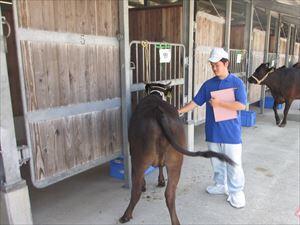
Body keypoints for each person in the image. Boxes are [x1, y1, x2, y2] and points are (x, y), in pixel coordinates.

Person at [178, 48, 247, 208]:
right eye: (212, 65)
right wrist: (179, 111)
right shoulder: (208, 84)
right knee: (216, 162)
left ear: (226, 63)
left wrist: (219, 103)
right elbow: (196, 102)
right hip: (213, 132)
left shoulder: (237, 83)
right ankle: (220, 185)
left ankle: (236, 192)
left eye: (217, 65)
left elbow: (241, 105)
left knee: (234, 164)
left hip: (231, 133)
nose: (214, 68)